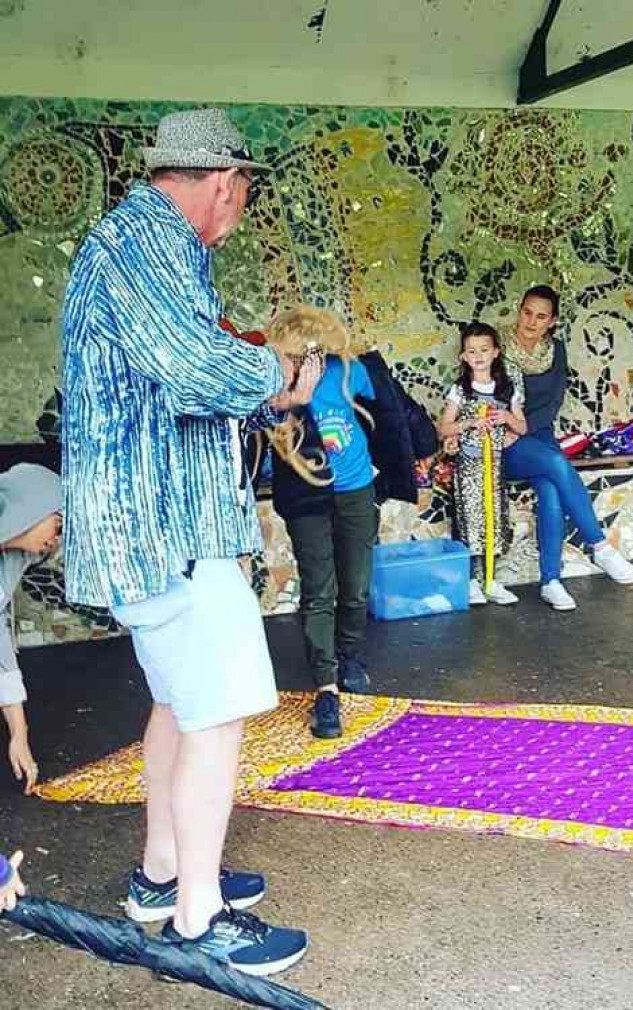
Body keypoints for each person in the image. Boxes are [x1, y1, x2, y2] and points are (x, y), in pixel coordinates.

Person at [61, 108, 309, 975]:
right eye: (240, 190)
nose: (237, 206)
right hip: (167, 532)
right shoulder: (149, 242)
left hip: (153, 531)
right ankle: (202, 922)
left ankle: (163, 875)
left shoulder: (134, 243)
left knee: (178, 702)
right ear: (221, 182)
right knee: (219, 712)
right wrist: (278, 375)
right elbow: (192, 364)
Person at [266, 306, 437, 739]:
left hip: (357, 490)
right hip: (306, 498)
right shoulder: (271, 384)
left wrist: (412, 457)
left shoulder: (347, 371)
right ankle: (326, 687)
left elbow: (392, 413)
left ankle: (350, 657)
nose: (303, 362)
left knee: (355, 587)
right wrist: (289, 402)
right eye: (294, 355)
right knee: (320, 590)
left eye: (307, 354)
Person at [502, 285, 633, 612]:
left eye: (540, 316)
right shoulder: (498, 348)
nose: (531, 322)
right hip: (505, 441)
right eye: (526, 312)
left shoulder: (556, 350)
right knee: (555, 464)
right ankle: (600, 545)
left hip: (538, 435)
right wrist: (509, 429)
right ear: (519, 309)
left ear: (552, 322)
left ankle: (551, 581)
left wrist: (526, 428)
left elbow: (553, 402)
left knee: (550, 488)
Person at [439, 323, 526, 606]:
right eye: (471, 351)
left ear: (495, 353)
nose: (478, 356)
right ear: (464, 356)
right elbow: (444, 428)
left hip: (495, 467)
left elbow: (522, 427)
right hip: (468, 469)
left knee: (494, 520)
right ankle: (471, 581)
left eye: (484, 350)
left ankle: (491, 580)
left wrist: (506, 419)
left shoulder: (505, 390)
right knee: (469, 521)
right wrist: (469, 423)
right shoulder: (460, 391)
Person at [1, 464, 62, 795]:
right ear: (32, 509)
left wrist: (19, 735)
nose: (56, 538)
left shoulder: (8, 563)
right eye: (58, 522)